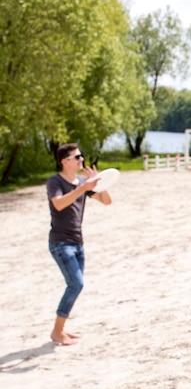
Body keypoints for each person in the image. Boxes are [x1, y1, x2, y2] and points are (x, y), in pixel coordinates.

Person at [47, 143, 112, 345]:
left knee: (75, 286)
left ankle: (61, 329)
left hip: (78, 242)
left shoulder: (83, 181)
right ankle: (57, 331)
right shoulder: (55, 181)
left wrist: (98, 183)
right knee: (76, 284)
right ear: (64, 161)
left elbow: (107, 201)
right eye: (77, 157)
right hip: (60, 242)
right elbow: (59, 204)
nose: (81, 160)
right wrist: (83, 187)